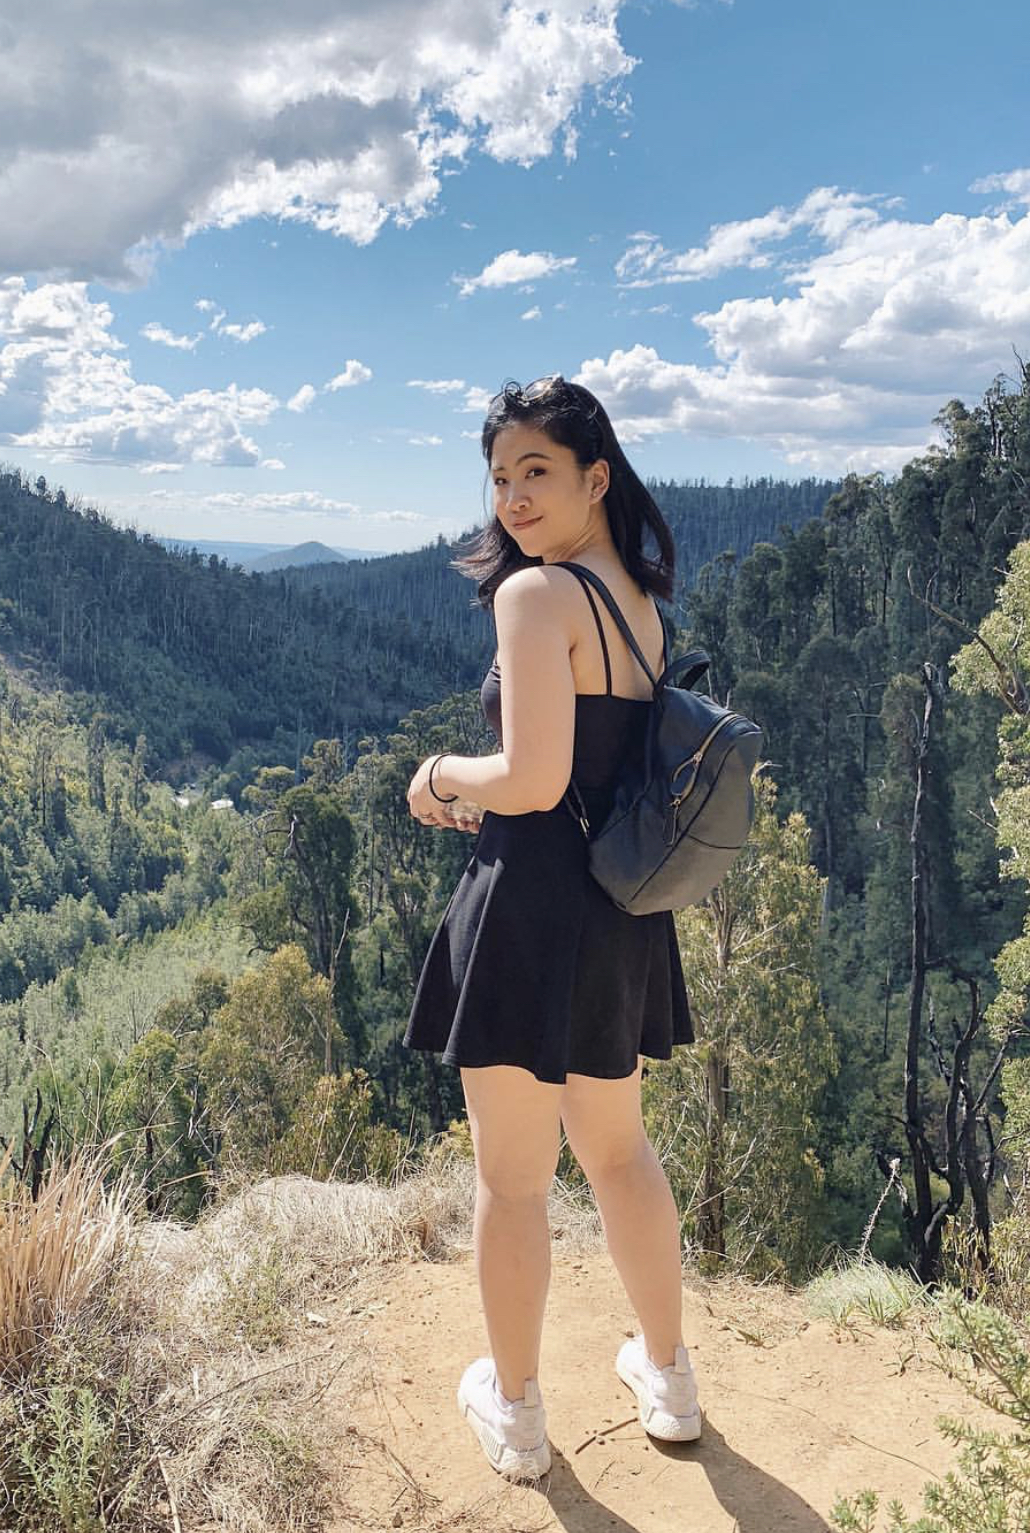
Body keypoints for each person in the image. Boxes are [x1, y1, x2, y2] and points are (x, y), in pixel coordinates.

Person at [402, 375, 701, 1483]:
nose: (513, 497)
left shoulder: (535, 596)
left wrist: (440, 774)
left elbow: (531, 779)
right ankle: (668, 1377)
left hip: (528, 909)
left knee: (515, 1179)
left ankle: (518, 1413)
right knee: (619, 1152)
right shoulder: (641, 607)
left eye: (536, 470)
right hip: (617, 912)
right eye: (498, 477)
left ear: (596, 476)